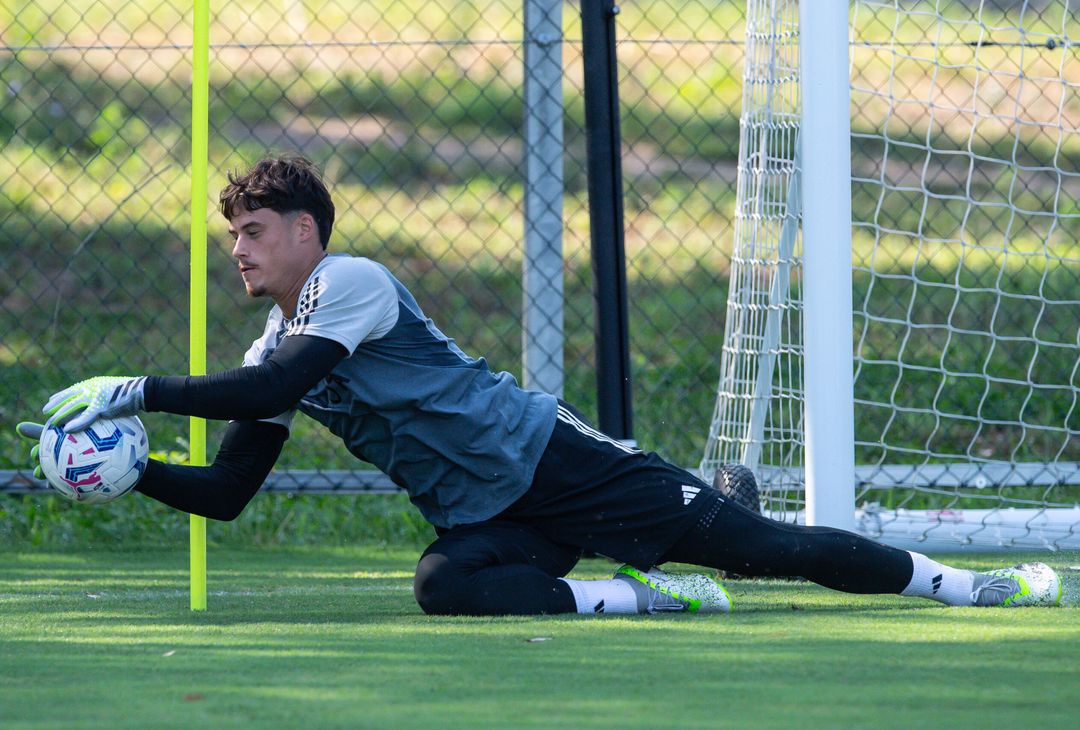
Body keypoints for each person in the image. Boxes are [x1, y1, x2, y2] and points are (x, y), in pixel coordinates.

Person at [16, 155, 1061, 615]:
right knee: (443, 586)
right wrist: (131, 470)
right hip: (490, 518)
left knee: (771, 552)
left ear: (302, 232)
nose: (238, 253)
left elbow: (266, 389)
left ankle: (966, 584)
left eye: (251, 233)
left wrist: (138, 386)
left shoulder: (351, 284)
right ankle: (636, 598)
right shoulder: (269, 353)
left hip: (552, 460)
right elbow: (232, 490)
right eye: (231, 237)